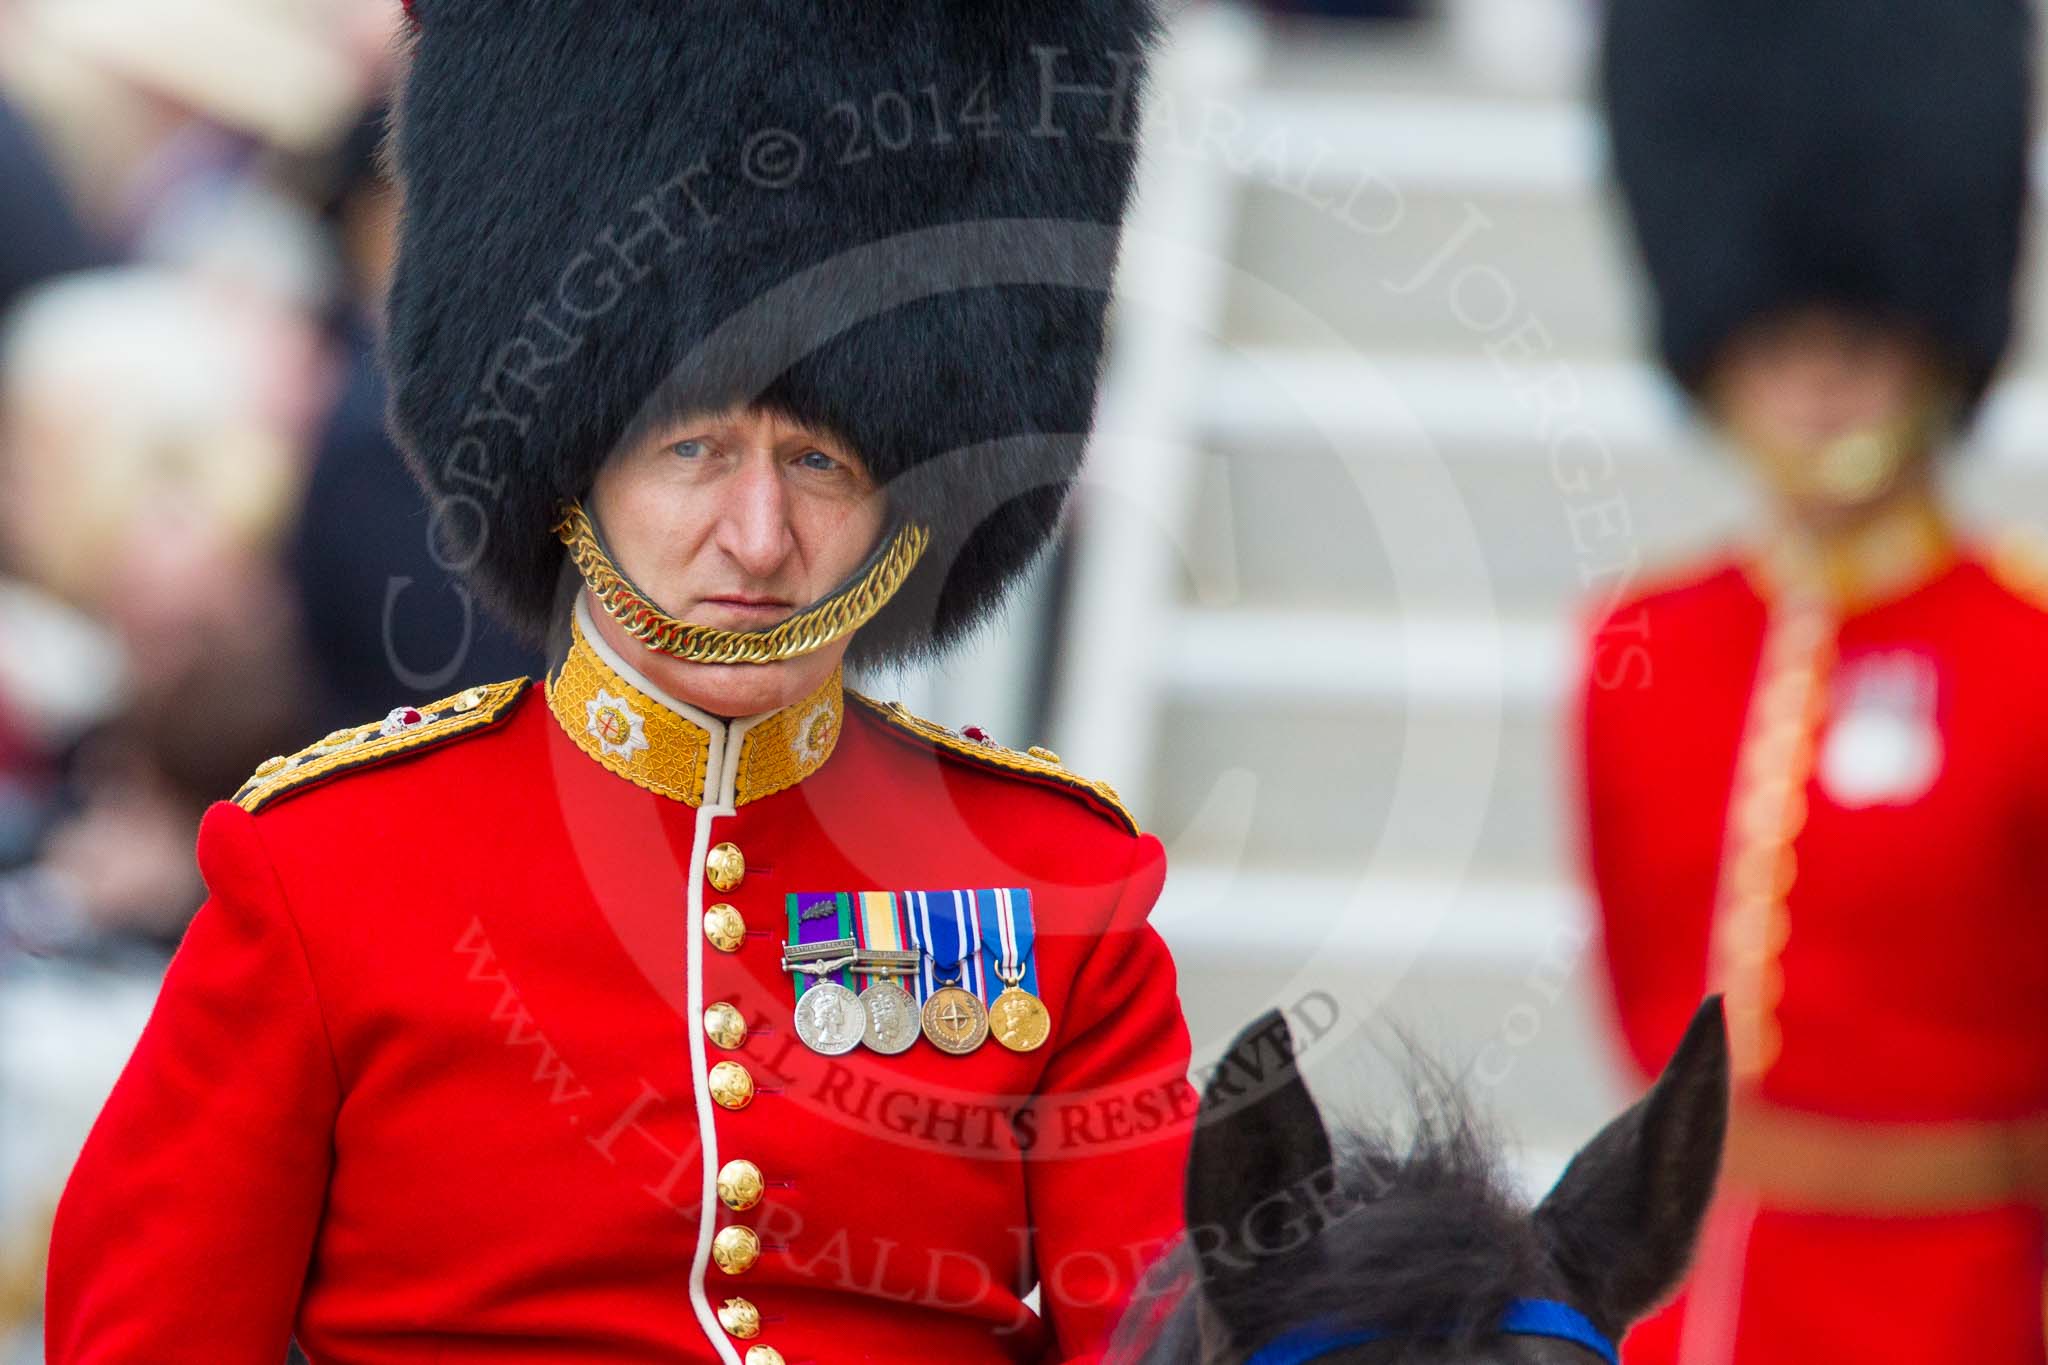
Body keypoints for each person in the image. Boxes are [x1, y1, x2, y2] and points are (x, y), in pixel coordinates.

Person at [44, 3, 1193, 1363]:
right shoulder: (326, 869)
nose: (759, 537)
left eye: (821, 462)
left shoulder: (1054, 885)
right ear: (569, 460)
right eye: (694, 450)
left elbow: (1157, 1335)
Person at [1580, 2, 2046, 1361]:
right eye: (1779, 342)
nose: (1822, 379)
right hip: (1680, 1295)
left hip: (1950, 1299)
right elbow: (1633, 987)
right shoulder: (1637, 646)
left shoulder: (2024, 648)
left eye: (1862, 339)